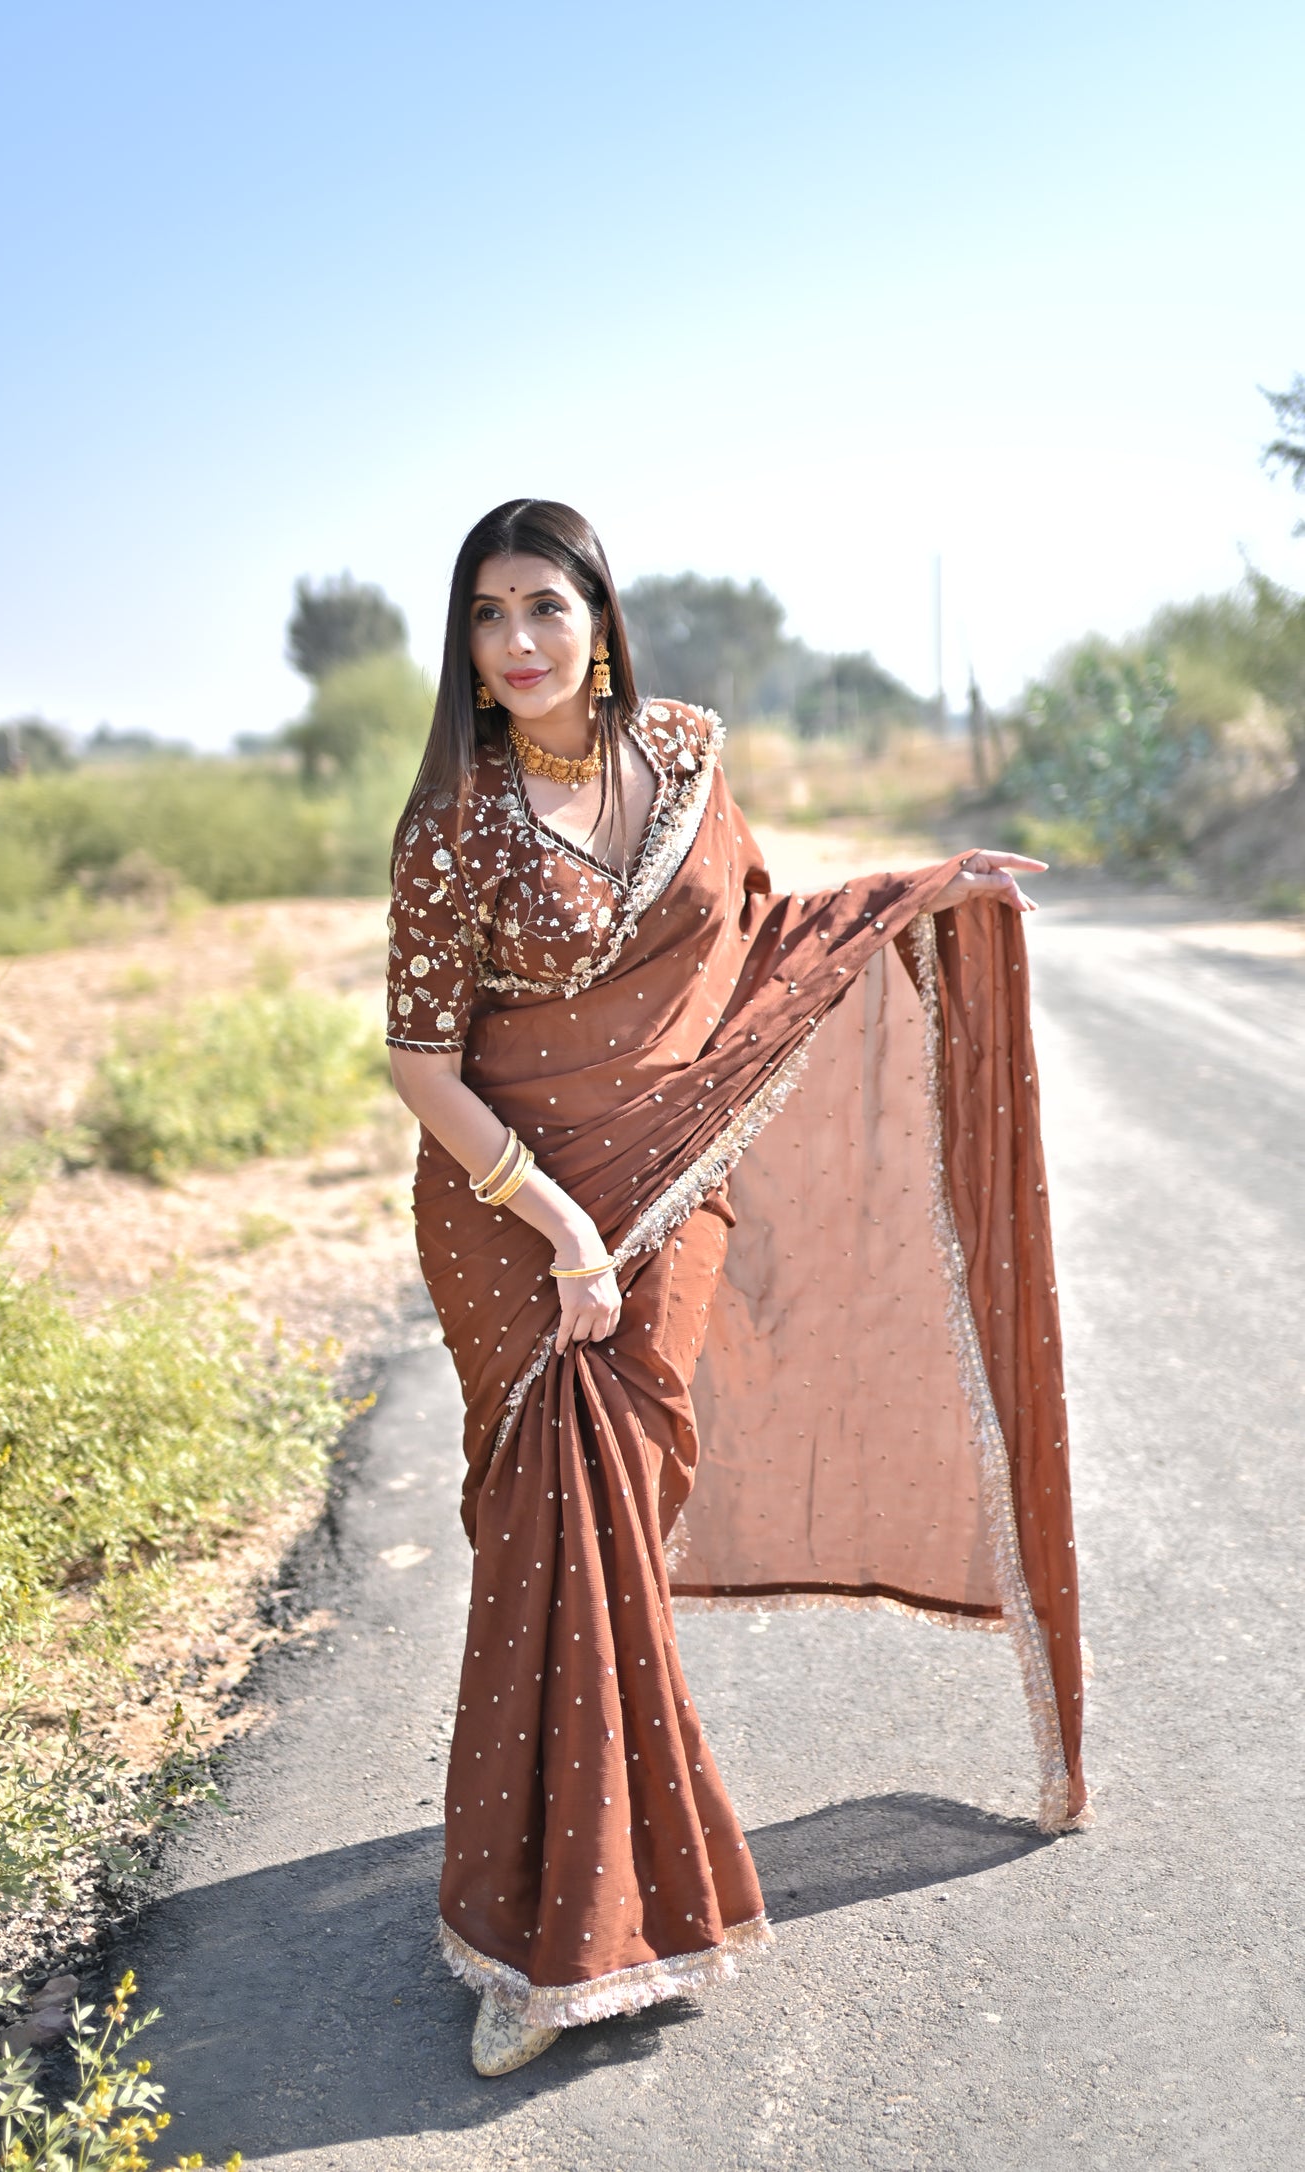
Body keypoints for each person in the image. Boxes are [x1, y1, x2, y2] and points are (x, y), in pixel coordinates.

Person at [386, 499, 1087, 2079]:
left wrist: (913, 893)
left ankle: (594, 1872)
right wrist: (563, 1229)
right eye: (488, 614)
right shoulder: (452, 826)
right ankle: (538, 1942)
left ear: (599, 620)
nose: (516, 642)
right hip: (517, 1217)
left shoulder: (684, 761)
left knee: (616, 1522)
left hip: (669, 1195)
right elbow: (422, 1067)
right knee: (554, 1538)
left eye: (543, 607)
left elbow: (757, 938)